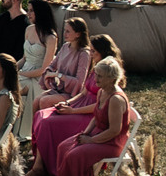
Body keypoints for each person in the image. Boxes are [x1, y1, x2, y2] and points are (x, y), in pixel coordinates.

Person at [53, 56, 135, 176]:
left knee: (75, 155)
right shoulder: (101, 92)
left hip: (111, 142)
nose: (95, 78)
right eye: (96, 74)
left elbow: (114, 131)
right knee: (63, 147)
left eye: (100, 76)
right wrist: (86, 132)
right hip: (98, 133)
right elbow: (95, 117)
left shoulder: (116, 99)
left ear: (111, 78)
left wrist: (90, 140)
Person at [31, 32, 116, 166]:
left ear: (103, 51)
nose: (91, 54)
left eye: (94, 51)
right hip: (79, 105)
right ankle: (41, 157)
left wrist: (72, 111)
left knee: (48, 122)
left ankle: (42, 165)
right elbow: (83, 93)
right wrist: (67, 103)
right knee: (42, 114)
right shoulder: (97, 67)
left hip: (90, 115)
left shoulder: (108, 74)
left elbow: (101, 108)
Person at [33, 16, 95, 115]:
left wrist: (59, 76)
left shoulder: (83, 53)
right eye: (64, 30)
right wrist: (49, 73)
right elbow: (53, 65)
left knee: (45, 101)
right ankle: (35, 129)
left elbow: (80, 81)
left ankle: (49, 126)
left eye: (68, 31)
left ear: (78, 34)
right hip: (59, 89)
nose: (64, 34)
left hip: (72, 93)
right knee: (36, 101)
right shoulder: (65, 46)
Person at [17, 0, 59, 116]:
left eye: (31, 11)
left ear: (40, 12)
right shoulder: (29, 29)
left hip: (38, 78)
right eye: (28, 10)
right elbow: (24, 58)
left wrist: (21, 74)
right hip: (24, 71)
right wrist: (12, 68)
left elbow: (44, 69)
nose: (28, 13)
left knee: (13, 90)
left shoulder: (50, 37)